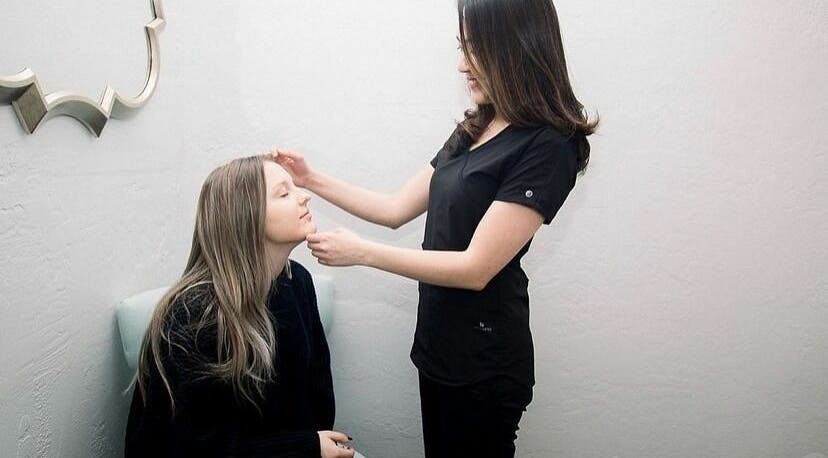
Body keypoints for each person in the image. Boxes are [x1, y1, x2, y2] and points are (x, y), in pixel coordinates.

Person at [273, 0, 597, 456]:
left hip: (485, 363)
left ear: (513, 45)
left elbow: (476, 268)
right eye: (462, 48)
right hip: (438, 347)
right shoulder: (476, 126)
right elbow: (394, 208)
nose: (462, 64)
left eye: (474, 48)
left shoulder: (549, 145)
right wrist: (311, 179)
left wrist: (362, 253)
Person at [125, 155, 355, 458]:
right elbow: (188, 446)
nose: (304, 197)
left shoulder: (298, 281)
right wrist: (306, 447)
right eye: (284, 193)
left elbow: (318, 395)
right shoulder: (193, 316)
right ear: (246, 216)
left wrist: (311, 445)